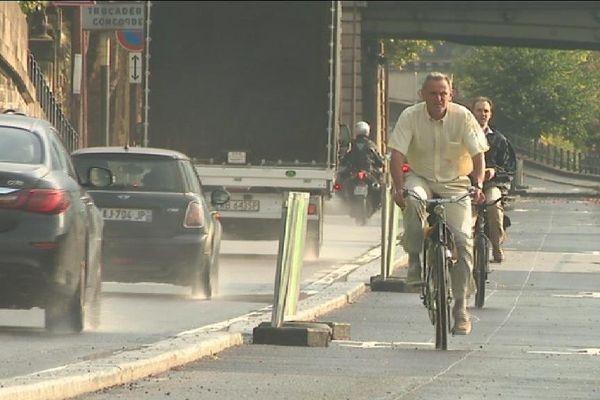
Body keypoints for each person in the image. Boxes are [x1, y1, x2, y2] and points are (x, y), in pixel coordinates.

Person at [388, 72, 489, 335]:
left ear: (451, 95)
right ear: (422, 95)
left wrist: (477, 185)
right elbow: (397, 155)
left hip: (455, 182)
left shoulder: (463, 117)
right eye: (432, 93)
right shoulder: (410, 116)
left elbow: (478, 156)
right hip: (420, 177)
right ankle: (414, 260)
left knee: (464, 241)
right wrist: (399, 188)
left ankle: (460, 306)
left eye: (443, 93)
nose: (438, 98)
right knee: (413, 200)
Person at [469, 97, 516, 263]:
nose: (482, 114)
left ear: (490, 114)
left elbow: (509, 167)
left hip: (490, 184)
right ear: (472, 112)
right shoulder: (462, 135)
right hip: (466, 184)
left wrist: (494, 172)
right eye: (479, 110)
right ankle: (459, 249)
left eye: (486, 111)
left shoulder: (499, 139)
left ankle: (496, 245)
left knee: (493, 205)